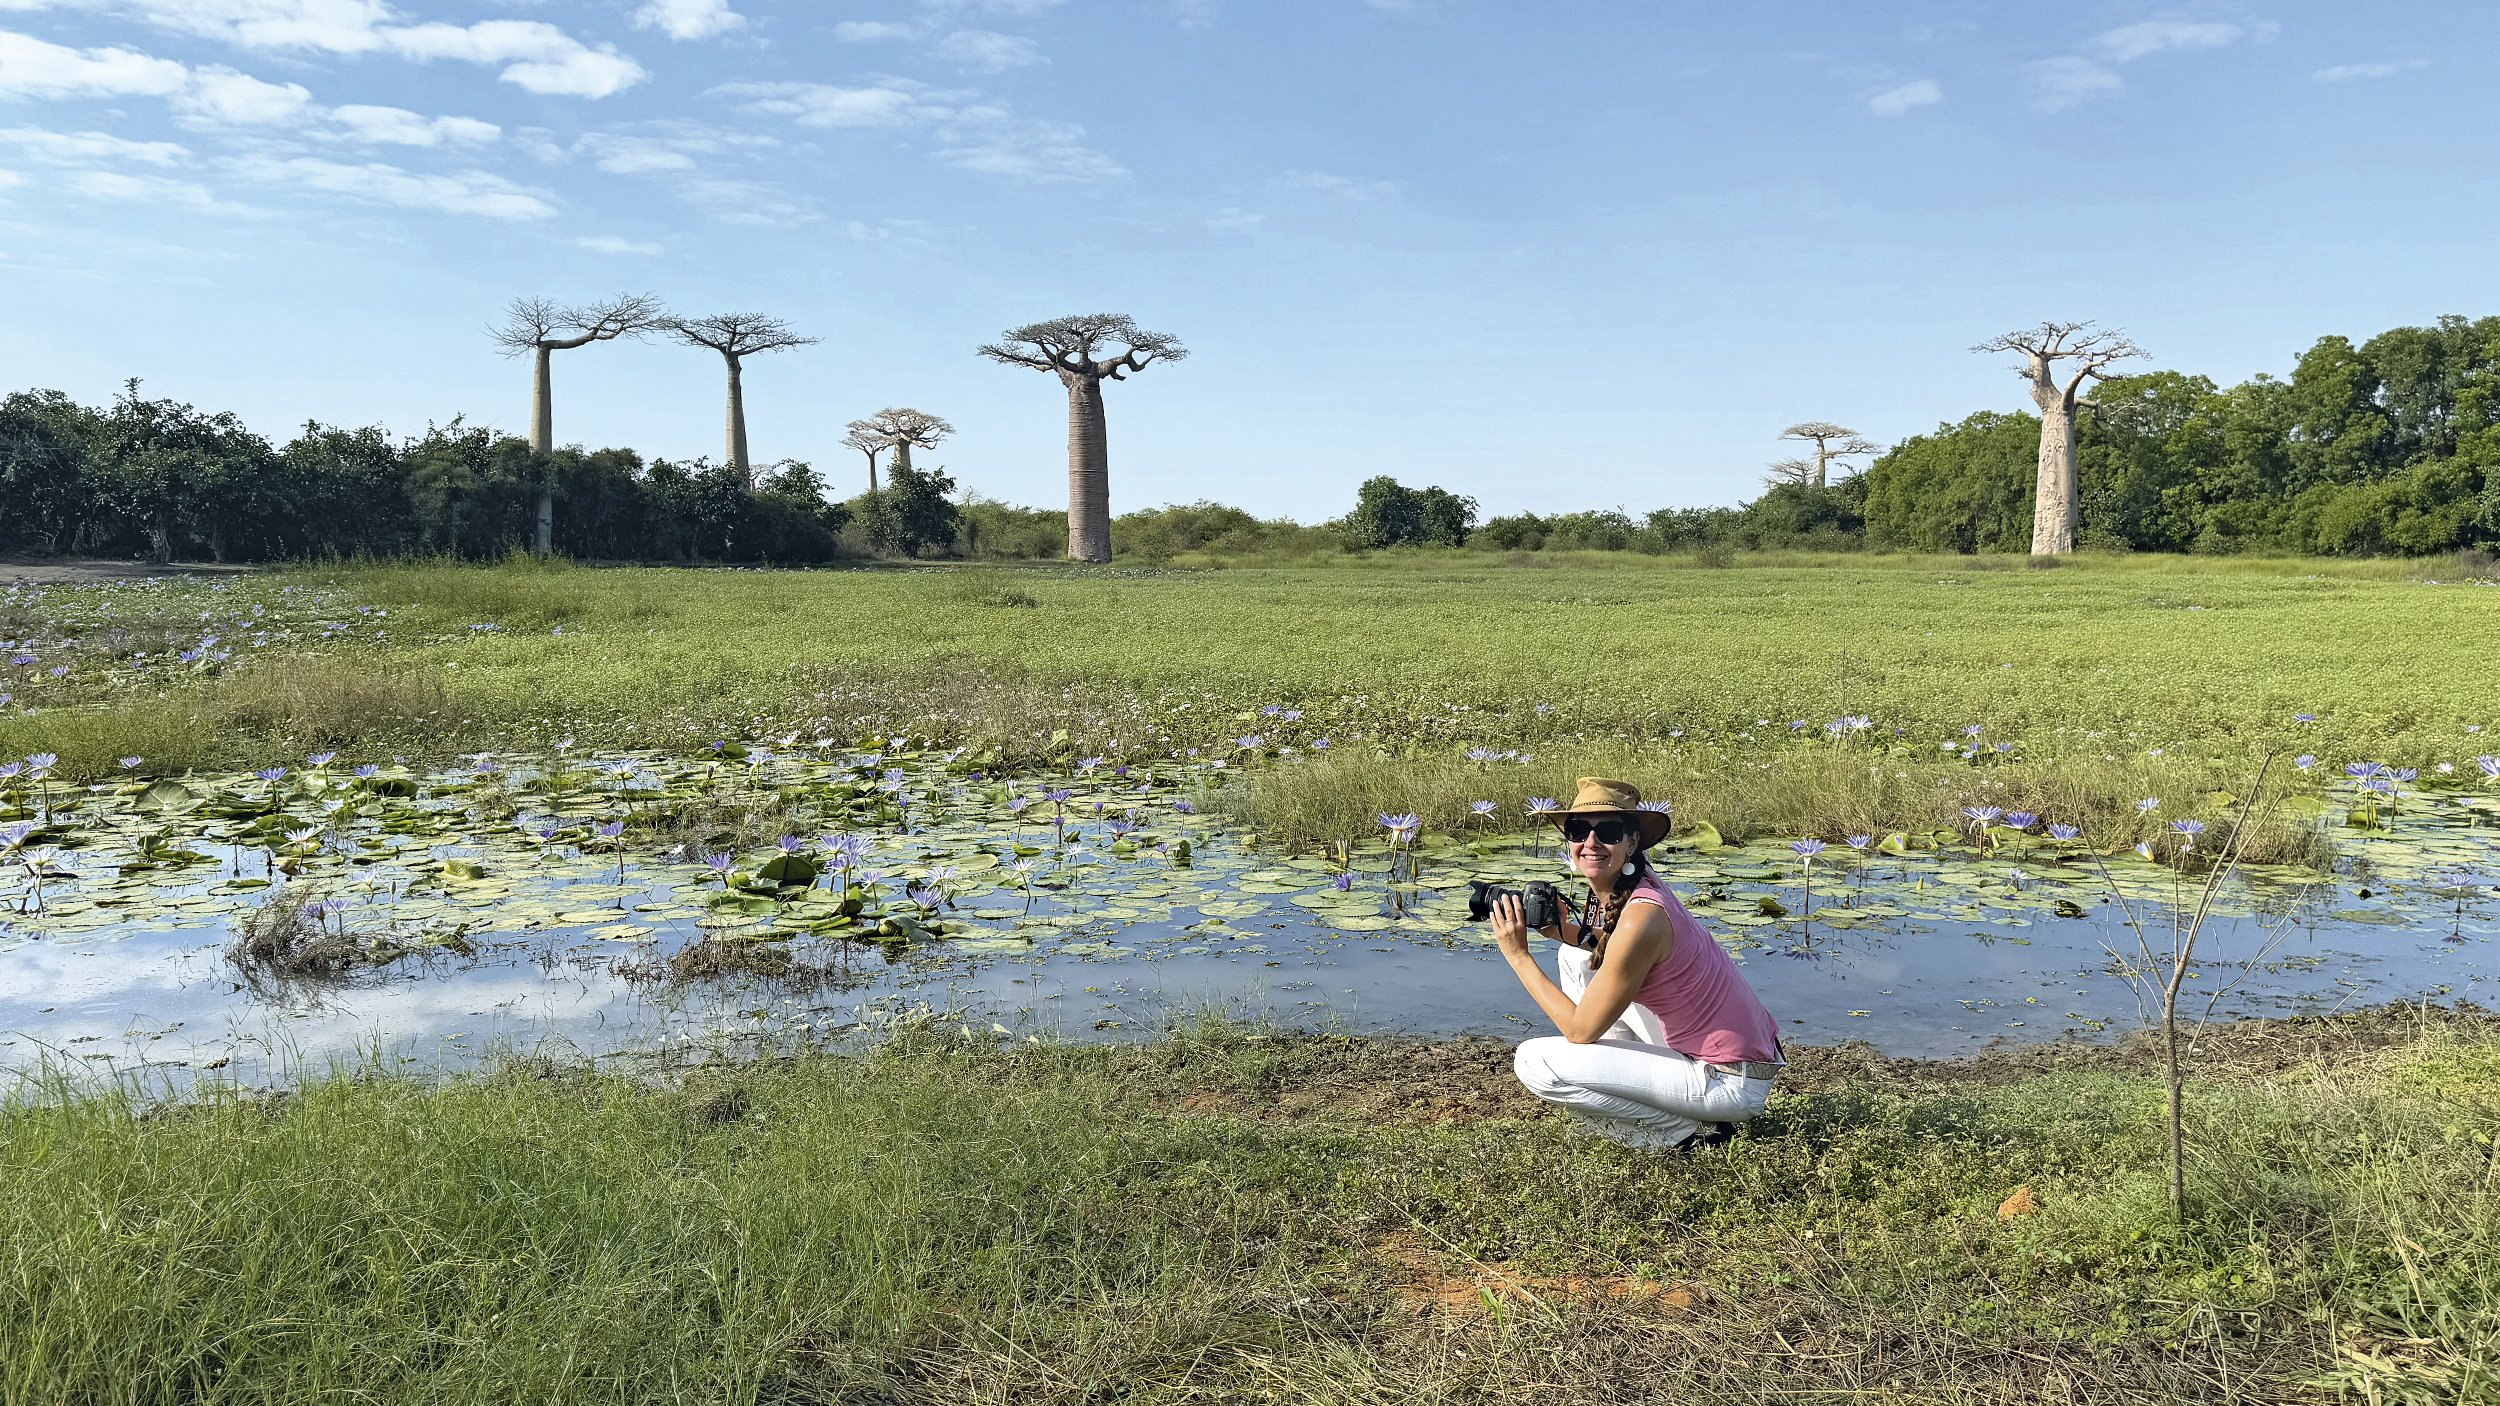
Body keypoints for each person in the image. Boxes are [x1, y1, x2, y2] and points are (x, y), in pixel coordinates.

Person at [1491, 777, 1783, 1151]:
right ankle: (1674, 1115)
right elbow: (1620, 953)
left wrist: (1519, 956)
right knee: (1576, 956)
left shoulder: (1642, 916)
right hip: (1736, 1060)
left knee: (1533, 1062)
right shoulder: (1641, 884)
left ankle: (1686, 1137)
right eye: (1579, 830)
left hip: (1730, 1080)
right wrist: (1572, 934)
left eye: (1609, 832)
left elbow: (1580, 1032)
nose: (1590, 843)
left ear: (1632, 842)